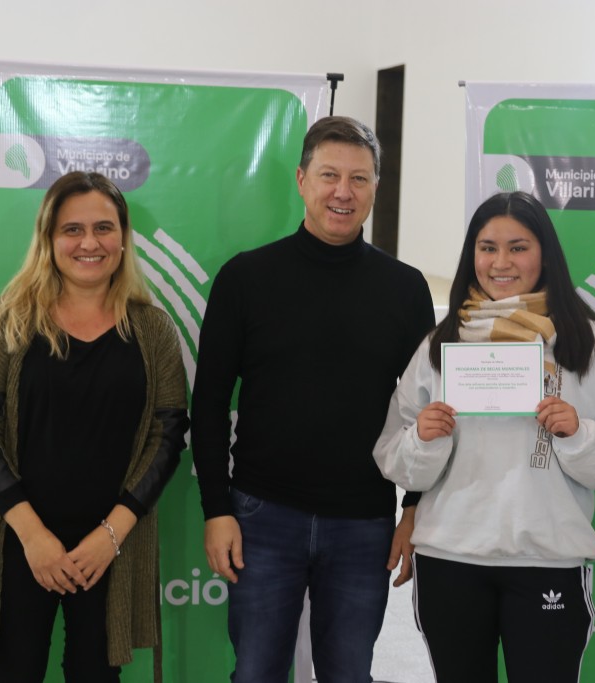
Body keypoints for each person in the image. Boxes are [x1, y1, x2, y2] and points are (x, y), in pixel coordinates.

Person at [373, 191, 595, 683]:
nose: (501, 262)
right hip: (450, 561)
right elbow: (392, 456)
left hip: (547, 561)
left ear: (545, 254)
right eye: (487, 248)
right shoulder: (442, 343)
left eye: (518, 247)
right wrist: (424, 439)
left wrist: (578, 435)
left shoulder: (588, 344)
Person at [191, 115, 434, 683]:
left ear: (375, 188)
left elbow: (430, 410)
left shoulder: (405, 289)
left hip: (364, 521)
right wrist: (217, 510)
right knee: (256, 672)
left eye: (359, 178)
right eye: (329, 175)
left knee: (349, 674)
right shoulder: (246, 278)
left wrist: (414, 507)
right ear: (302, 180)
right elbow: (208, 404)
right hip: (261, 516)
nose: (343, 192)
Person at [0, 171, 189, 683]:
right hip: (19, 539)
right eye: (72, 229)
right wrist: (33, 535)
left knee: (96, 675)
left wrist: (112, 533)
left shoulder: (153, 330)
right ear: (49, 238)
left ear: (122, 238)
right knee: (13, 672)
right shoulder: (9, 319)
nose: (89, 243)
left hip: (109, 545)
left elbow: (168, 434)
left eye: (103, 228)